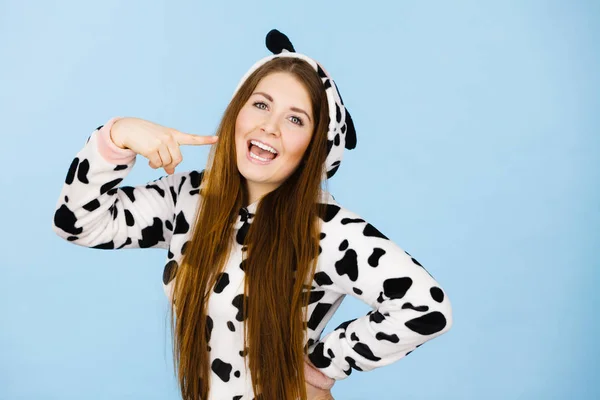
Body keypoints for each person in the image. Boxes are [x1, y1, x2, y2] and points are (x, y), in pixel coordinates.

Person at [52, 29, 453, 400]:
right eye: (261, 104)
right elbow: (79, 224)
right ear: (237, 113)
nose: (269, 126)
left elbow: (426, 307)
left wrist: (322, 367)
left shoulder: (327, 230)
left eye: (295, 119)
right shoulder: (188, 198)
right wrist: (117, 136)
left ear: (316, 145)